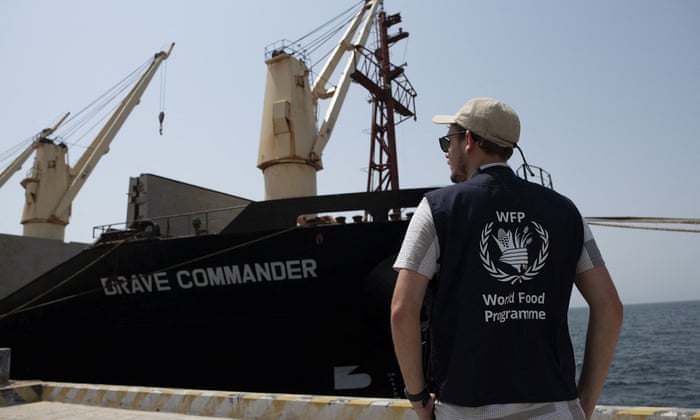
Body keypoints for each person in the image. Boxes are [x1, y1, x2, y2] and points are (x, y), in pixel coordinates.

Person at [390, 97, 623, 420]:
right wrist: (583, 403)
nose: (446, 151)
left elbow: (402, 310)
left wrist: (417, 398)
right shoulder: (566, 211)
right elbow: (610, 307)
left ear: (469, 140)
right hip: (554, 406)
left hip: (464, 409)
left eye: (448, 139)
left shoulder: (437, 208)